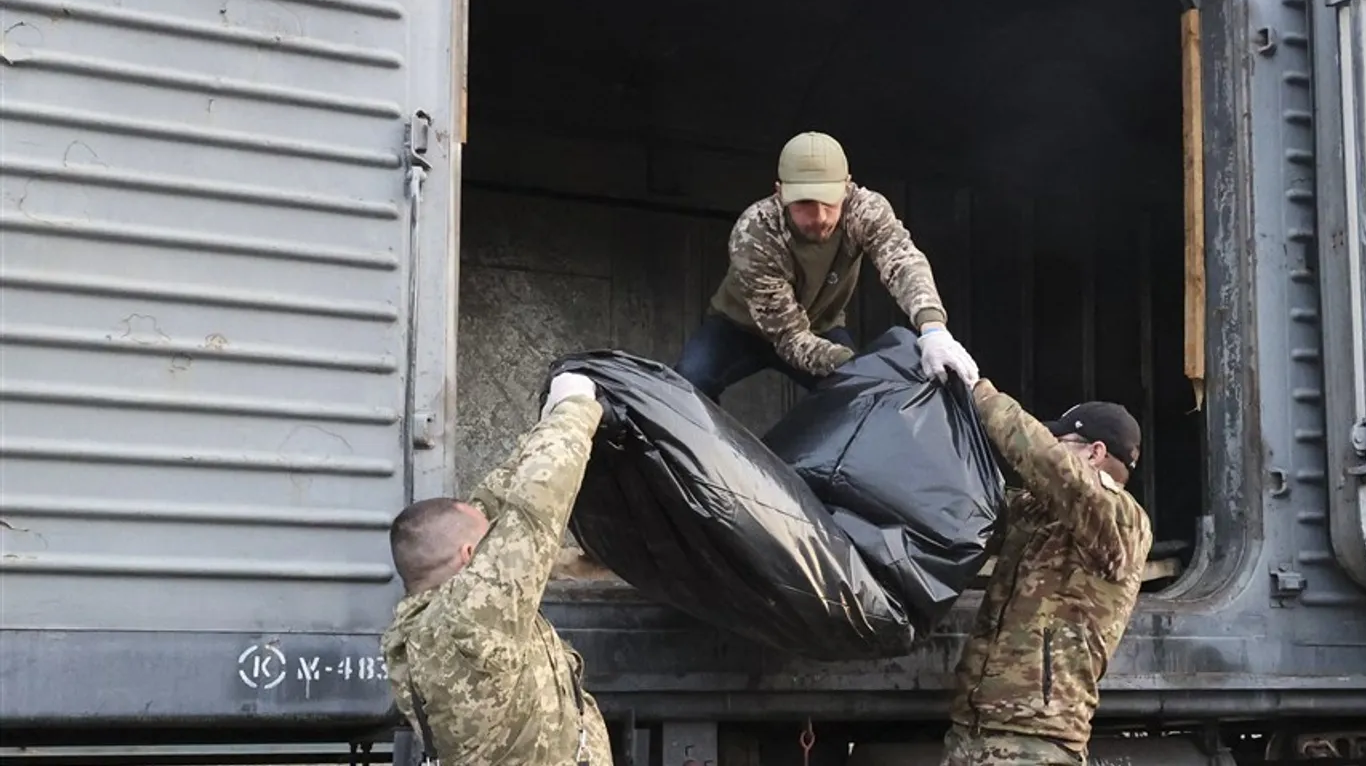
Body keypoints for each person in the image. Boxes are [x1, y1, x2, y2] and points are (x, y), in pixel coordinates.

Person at [380, 372, 610, 766]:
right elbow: (535, 507)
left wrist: (542, 425)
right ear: (470, 556)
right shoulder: (466, 620)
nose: (498, 544)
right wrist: (573, 408)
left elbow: (489, 508)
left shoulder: (427, 625)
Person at [674, 131, 979, 402]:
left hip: (821, 327)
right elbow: (791, 340)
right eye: (804, 203)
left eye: (829, 202)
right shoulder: (754, 233)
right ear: (780, 193)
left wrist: (933, 329)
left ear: (847, 187)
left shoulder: (864, 210)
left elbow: (902, 261)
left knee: (858, 397)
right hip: (740, 329)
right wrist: (865, 365)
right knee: (688, 383)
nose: (819, 216)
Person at [942, 381, 1153, 766]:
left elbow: (1046, 462)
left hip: (1036, 741)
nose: (1054, 446)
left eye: (1063, 440)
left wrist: (976, 389)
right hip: (972, 733)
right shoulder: (1037, 512)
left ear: (1095, 453)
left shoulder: (1123, 519)